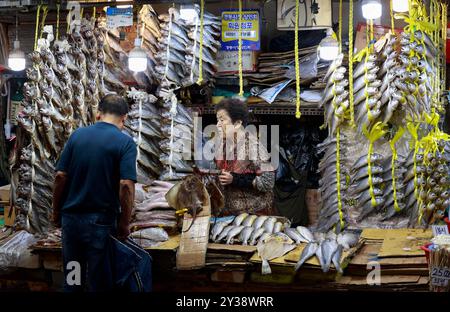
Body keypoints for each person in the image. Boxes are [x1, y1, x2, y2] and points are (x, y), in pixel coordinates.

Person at [52, 94, 137, 292]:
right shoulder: (125, 142)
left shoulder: (77, 135)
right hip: (100, 224)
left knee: (73, 277)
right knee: (99, 282)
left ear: (98, 114)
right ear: (124, 119)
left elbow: (60, 177)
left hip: (71, 223)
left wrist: (56, 212)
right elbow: (126, 185)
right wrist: (124, 224)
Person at [214, 98, 276, 216]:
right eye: (217, 120)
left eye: (222, 120)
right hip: (229, 212)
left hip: (253, 214)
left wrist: (235, 179)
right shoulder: (222, 144)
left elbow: (268, 182)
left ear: (237, 123)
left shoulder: (254, 147)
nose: (218, 125)